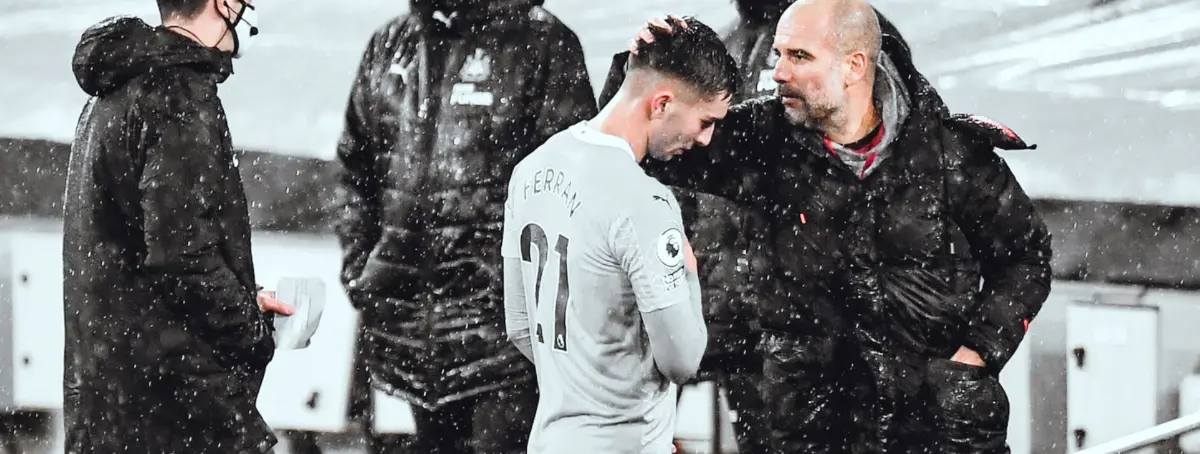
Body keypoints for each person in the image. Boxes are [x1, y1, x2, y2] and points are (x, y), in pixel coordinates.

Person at [603, 1, 1054, 452]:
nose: (779, 73)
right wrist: (641, 70)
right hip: (810, 428)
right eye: (779, 55)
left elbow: (1027, 256)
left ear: (854, 66)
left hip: (939, 429)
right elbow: (639, 145)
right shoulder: (762, 140)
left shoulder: (948, 151)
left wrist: (974, 357)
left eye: (799, 56)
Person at [332, 0, 598, 452]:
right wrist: (364, 273)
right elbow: (354, 170)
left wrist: (521, 302)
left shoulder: (544, 43)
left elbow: (572, 190)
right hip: (412, 340)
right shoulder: (389, 44)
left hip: (506, 350)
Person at [62, 1, 294, 453]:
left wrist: (243, 297)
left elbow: (143, 250)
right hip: (174, 408)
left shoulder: (112, 91)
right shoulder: (178, 95)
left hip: (111, 404)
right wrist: (251, 329)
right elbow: (182, 258)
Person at [501, 17, 738, 454]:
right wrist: (689, 274)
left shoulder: (531, 168)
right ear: (661, 103)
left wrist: (584, 378)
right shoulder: (645, 202)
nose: (706, 139)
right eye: (705, 121)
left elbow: (519, 326)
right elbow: (682, 360)